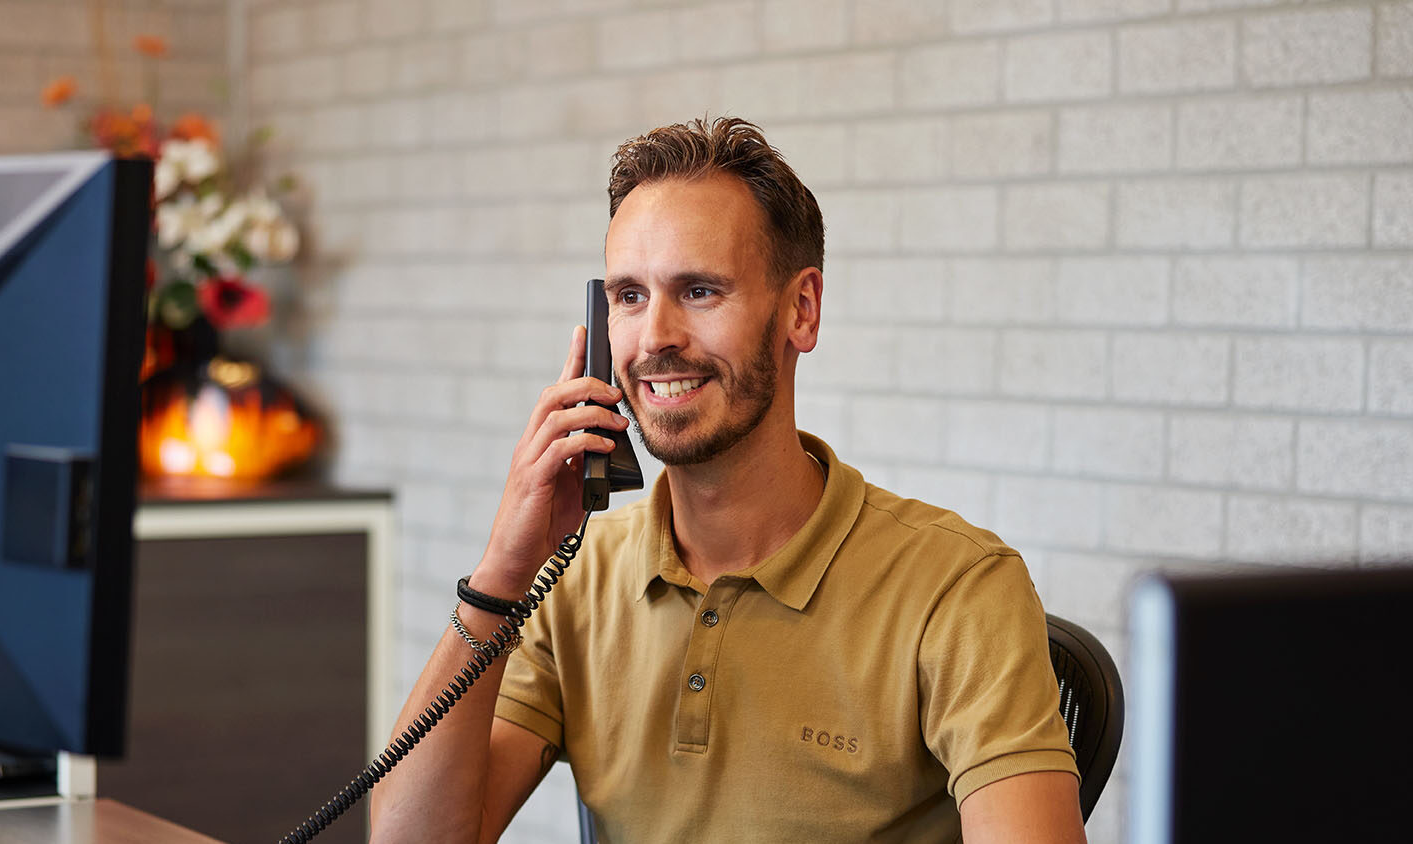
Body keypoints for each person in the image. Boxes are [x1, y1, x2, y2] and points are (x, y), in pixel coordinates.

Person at [370, 117, 1085, 843]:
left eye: (701, 291)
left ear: (800, 309)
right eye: (629, 296)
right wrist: (502, 576)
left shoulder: (958, 586)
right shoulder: (574, 578)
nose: (655, 339)